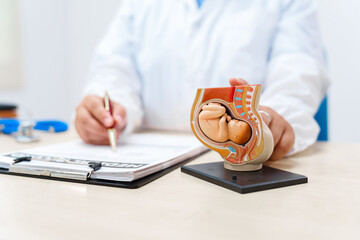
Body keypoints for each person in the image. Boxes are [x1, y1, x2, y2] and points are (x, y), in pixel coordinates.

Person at [75, 0, 329, 161]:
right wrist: (106, 108)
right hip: (151, 162)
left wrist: (273, 118)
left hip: (239, 162)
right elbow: (115, 65)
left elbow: (298, 68)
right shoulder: (139, 5)